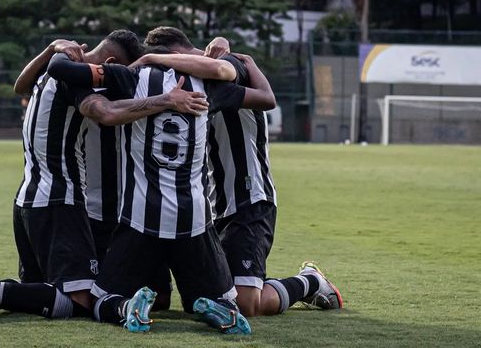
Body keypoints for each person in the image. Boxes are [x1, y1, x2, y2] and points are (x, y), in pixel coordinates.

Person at [0, 31, 209, 322]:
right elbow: (106, 113)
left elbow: (19, 85)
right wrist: (166, 100)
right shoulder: (75, 79)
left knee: (39, 291)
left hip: (27, 199)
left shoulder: (52, 66)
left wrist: (50, 48)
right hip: (59, 198)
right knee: (82, 302)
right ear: (108, 63)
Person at [47, 47, 274, 335]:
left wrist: (59, 47)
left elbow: (60, 69)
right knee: (224, 298)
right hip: (194, 223)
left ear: (150, 50)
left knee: (100, 299)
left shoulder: (130, 77)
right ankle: (222, 309)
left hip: (141, 220)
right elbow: (264, 97)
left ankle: (125, 308)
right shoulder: (209, 86)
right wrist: (234, 53)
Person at [144, 27, 343, 317]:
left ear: (175, 54)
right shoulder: (190, 81)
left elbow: (256, 89)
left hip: (250, 198)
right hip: (214, 205)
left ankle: (310, 282)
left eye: (165, 61)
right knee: (209, 298)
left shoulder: (230, 64)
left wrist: (220, 43)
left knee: (246, 305)